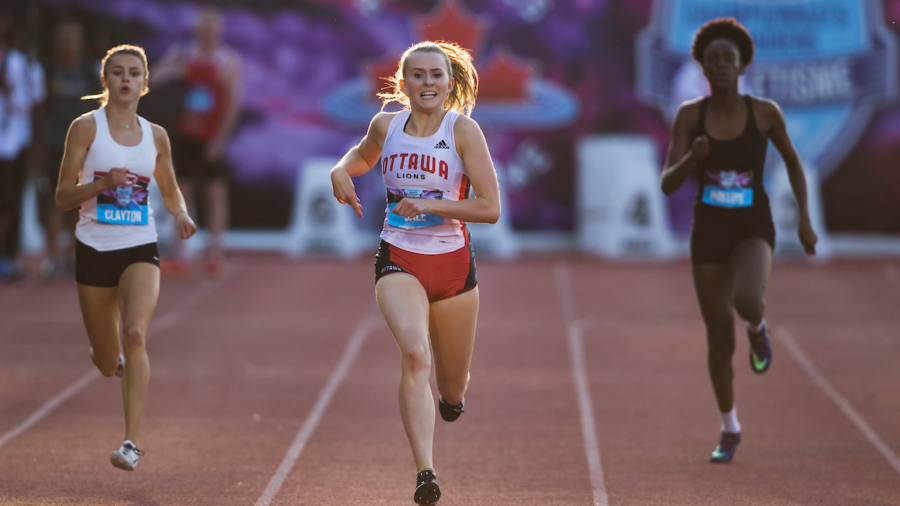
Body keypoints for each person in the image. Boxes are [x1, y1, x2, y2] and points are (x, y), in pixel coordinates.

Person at [330, 41, 499, 505]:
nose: (427, 82)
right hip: (399, 257)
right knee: (415, 354)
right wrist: (340, 170)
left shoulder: (463, 131)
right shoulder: (386, 126)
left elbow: (490, 208)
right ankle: (426, 472)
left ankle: (451, 399)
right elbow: (361, 156)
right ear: (403, 83)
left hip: (453, 266)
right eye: (418, 75)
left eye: (436, 75)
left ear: (449, 82)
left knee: (451, 386)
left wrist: (432, 204)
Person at [660, 18, 818, 464]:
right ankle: (730, 427)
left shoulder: (764, 113)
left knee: (748, 299)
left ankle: (757, 326)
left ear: (742, 64)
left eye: (728, 59)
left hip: (752, 226)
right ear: (703, 68)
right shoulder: (690, 116)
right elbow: (668, 184)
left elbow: (793, 163)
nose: (721, 66)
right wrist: (693, 156)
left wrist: (805, 222)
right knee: (718, 340)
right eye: (713, 60)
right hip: (709, 231)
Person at [55, 44, 197, 470]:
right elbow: (62, 197)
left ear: (145, 83)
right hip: (94, 248)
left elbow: (170, 189)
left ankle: (131, 444)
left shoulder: (156, 136)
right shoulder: (85, 128)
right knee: (104, 362)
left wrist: (181, 213)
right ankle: (108, 358)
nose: (125, 79)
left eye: (134, 73)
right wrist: (101, 185)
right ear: (105, 80)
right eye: (117, 72)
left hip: (139, 245)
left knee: (135, 334)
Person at [150, 5, 242, 276]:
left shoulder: (228, 61)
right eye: (204, 27)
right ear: (197, 29)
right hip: (186, 134)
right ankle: (180, 254)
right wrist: (173, 65)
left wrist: (219, 139)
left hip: (211, 136)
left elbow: (233, 104)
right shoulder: (184, 54)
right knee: (182, 194)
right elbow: (153, 78)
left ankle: (215, 254)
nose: (208, 32)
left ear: (220, 30)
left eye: (213, 27)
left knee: (215, 194)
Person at [37, 18, 102, 279]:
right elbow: (38, 110)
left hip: (83, 147)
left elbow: (100, 109)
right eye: (64, 39)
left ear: (80, 43)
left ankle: (75, 255)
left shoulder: (89, 72)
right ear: (56, 43)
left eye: (72, 39)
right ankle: (53, 256)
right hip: (54, 145)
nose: (68, 44)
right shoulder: (48, 71)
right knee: (54, 201)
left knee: (80, 201)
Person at [0, 7, 43, 282]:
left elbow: (30, 103)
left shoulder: (18, 62)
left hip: (11, 144)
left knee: (8, 201)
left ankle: (7, 256)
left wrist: (8, 90)